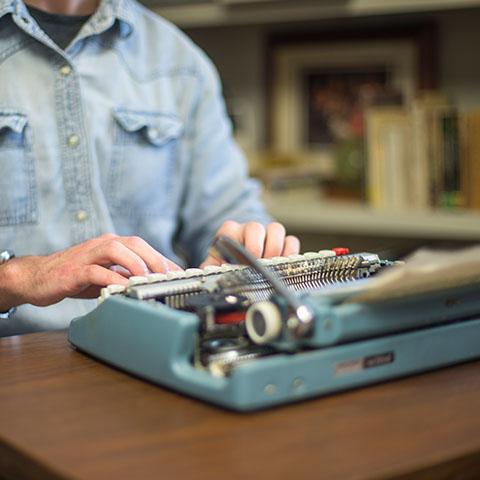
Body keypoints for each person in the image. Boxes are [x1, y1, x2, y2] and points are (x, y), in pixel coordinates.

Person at [0, 0, 300, 336]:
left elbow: (227, 214)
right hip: (14, 359)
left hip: (155, 346)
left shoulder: (181, 62)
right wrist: (17, 277)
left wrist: (248, 245)